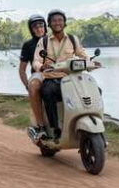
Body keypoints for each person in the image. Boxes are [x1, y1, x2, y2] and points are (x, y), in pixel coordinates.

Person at [33, 9, 99, 142]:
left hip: (70, 78)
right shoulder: (44, 41)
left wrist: (91, 62)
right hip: (51, 77)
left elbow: (82, 54)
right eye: (54, 21)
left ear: (64, 23)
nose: (57, 23)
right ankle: (54, 128)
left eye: (60, 20)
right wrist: (41, 66)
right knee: (47, 92)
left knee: (96, 91)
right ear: (49, 24)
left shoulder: (73, 39)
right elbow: (36, 60)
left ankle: (92, 120)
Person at [18, 14, 48, 141]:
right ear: (31, 29)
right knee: (34, 87)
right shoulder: (28, 45)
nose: (38, 28)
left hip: (56, 72)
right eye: (35, 26)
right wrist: (27, 86)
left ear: (45, 27)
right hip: (38, 74)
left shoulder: (52, 40)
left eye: (41, 25)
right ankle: (41, 126)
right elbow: (22, 69)